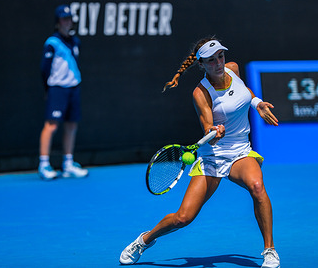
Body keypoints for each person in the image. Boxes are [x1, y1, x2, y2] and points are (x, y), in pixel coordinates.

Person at [119, 37, 280, 268]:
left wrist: (257, 104)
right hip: (213, 157)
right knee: (183, 218)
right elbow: (207, 126)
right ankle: (144, 240)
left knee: (257, 187)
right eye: (211, 60)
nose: (219, 63)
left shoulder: (233, 69)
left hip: (241, 152)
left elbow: (245, 93)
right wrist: (213, 131)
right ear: (201, 65)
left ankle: (269, 250)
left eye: (220, 57)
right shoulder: (200, 93)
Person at [38, 5, 89, 180]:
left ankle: (68, 164)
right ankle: (44, 165)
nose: (67, 22)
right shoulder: (52, 43)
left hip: (73, 87)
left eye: (69, 19)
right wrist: (49, 89)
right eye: (63, 19)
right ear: (58, 22)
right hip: (57, 88)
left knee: (72, 125)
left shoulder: (75, 41)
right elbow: (44, 69)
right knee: (51, 126)